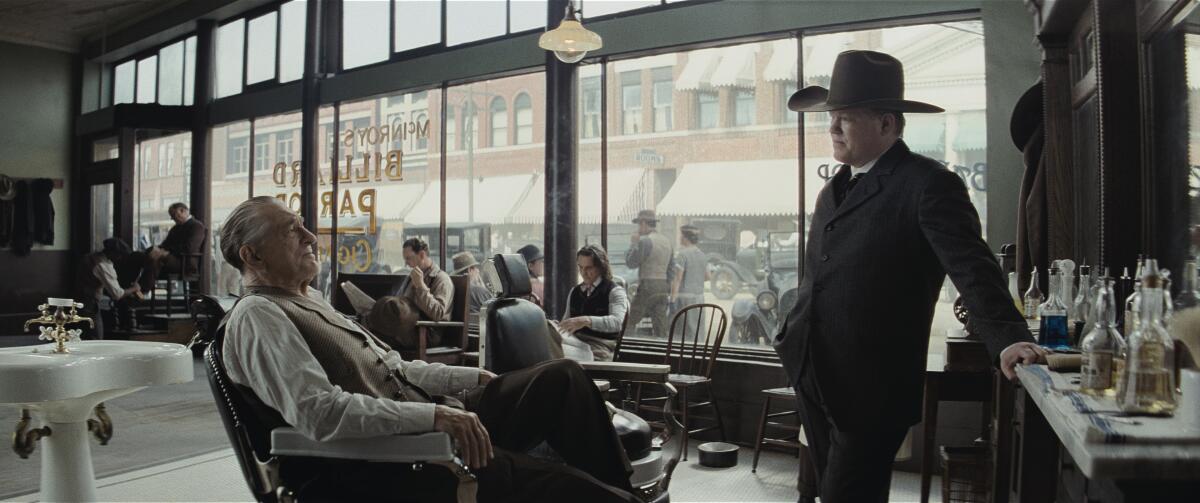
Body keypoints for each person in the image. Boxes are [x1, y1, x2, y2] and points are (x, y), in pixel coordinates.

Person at [218, 196, 638, 502]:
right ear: (251, 255)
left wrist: (473, 378)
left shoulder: (309, 301)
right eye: (292, 229)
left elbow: (395, 367)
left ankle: (623, 489)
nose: (310, 235)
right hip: (391, 459)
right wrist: (436, 416)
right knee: (570, 490)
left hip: (425, 417)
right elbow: (319, 412)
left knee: (563, 377)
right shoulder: (259, 315)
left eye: (304, 224)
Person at [776, 50, 1046, 503]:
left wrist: (1007, 337)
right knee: (824, 489)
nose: (832, 128)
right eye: (832, 117)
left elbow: (972, 266)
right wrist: (791, 331)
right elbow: (816, 276)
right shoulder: (833, 189)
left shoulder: (928, 183)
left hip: (871, 386)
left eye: (846, 118)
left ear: (886, 124)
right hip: (811, 368)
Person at [365, 237, 455, 349]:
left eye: (409, 258)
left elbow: (438, 313)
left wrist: (421, 286)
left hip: (425, 331)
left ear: (422, 255)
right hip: (408, 326)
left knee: (378, 334)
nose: (407, 264)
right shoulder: (412, 277)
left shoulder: (441, 279)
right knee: (370, 327)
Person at [560, 244, 630, 361]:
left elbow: (617, 323)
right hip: (575, 344)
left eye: (589, 268)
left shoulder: (614, 291)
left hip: (600, 347)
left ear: (601, 267)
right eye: (580, 267)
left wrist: (587, 320)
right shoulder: (575, 291)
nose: (583, 273)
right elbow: (566, 322)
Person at [76, 237, 142, 339]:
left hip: (79, 303)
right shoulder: (102, 265)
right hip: (89, 305)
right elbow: (117, 294)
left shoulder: (90, 257)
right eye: (119, 255)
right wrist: (135, 288)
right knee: (96, 339)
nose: (120, 258)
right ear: (113, 253)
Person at [134, 202, 207, 293]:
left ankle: (140, 290)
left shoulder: (197, 226)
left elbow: (189, 248)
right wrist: (155, 249)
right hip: (171, 259)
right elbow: (165, 245)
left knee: (157, 259)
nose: (172, 218)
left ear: (182, 211)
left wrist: (166, 252)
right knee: (138, 256)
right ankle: (134, 288)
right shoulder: (175, 228)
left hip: (185, 262)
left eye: (173, 215)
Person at [625, 209, 673, 339]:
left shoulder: (645, 241)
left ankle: (627, 347)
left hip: (648, 285)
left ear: (644, 224)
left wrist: (633, 243)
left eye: (639, 224)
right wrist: (668, 287)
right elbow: (671, 269)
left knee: (630, 321)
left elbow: (631, 262)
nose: (638, 228)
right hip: (663, 285)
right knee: (660, 323)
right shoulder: (667, 241)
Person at [670, 225, 709, 341]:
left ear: (685, 238)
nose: (680, 238)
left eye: (681, 236)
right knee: (698, 331)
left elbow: (677, 279)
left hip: (685, 299)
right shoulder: (702, 255)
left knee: (684, 332)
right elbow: (708, 276)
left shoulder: (682, 255)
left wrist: (672, 299)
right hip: (700, 298)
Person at [451, 250, 495, 327]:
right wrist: (483, 289)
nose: (478, 271)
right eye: (475, 268)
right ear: (469, 270)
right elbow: (495, 312)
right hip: (479, 334)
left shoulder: (452, 288)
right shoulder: (480, 291)